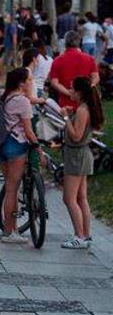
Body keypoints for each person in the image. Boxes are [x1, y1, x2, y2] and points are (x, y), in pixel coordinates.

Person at [0, 68, 40, 244]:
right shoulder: (23, 101)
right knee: (12, 189)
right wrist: (38, 147)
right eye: (29, 80)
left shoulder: (1, 95)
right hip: (16, 146)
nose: (31, 83)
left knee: (9, 188)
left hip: (0, 145)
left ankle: (12, 228)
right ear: (21, 83)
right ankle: (8, 232)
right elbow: (28, 131)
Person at [60, 77, 104, 249]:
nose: (70, 92)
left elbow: (77, 136)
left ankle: (79, 236)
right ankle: (86, 235)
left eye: (71, 89)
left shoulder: (82, 110)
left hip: (76, 155)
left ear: (79, 92)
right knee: (81, 197)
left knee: (69, 198)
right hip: (81, 155)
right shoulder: (85, 108)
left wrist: (65, 118)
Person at [49, 31, 99, 109]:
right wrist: (85, 90)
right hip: (85, 103)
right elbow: (96, 78)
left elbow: (54, 83)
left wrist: (69, 93)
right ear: (79, 42)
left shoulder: (57, 60)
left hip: (65, 104)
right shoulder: (89, 58)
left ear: (65, 43)